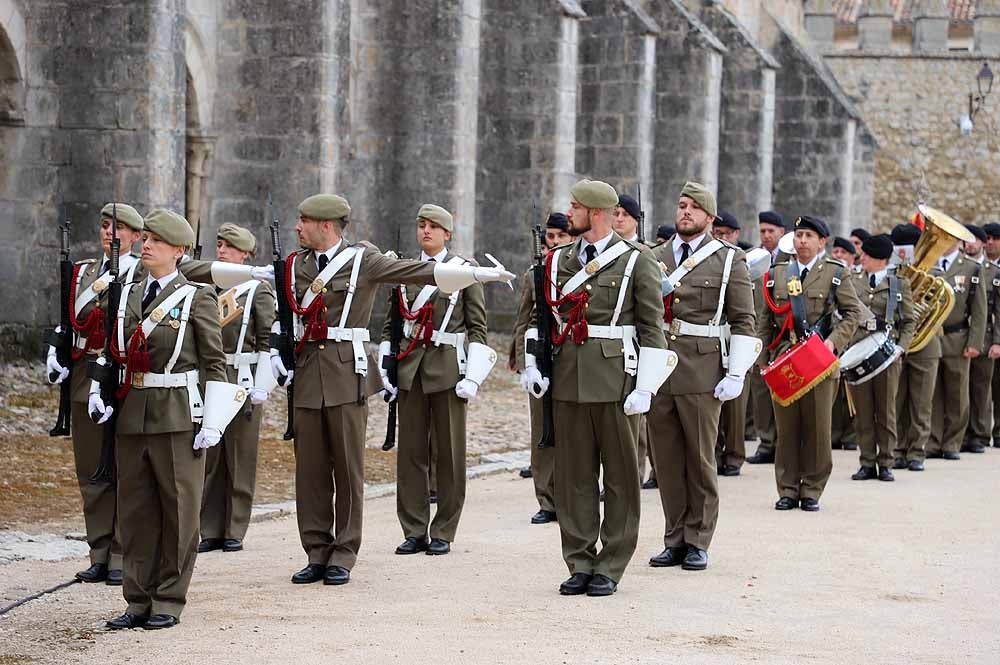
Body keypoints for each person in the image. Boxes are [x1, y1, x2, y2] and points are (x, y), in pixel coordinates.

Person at [271, 194, 513, 587]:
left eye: (303, 220)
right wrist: (275, 357)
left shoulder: (363, 261)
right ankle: (317, 550)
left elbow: (417, 273)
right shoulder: (295, 265)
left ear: (326, 225)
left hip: (352, 373)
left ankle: (344, 553)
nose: (297, 227)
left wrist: (478, 276)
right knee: (311, 472)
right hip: (310, 372)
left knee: (350, 469)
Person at [88, 209, 247, 630]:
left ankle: (169, 599)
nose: (148, 246)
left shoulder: (197, 297)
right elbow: (110, 349)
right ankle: (136, 599)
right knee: (135, 511)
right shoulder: (125, 293)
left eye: (158, 241)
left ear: (178, 251)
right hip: (131, 413)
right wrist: (97, 389)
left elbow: (215, 364)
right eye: (147, 239)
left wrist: (214, 421)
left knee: (179, 510)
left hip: (178, 415)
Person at [521, 179, 670, 597]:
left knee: (621, 477)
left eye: (576, 206)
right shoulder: (556, 262)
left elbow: (651, 328)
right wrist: (533, 363)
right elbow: (542, 319)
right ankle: (580, 559)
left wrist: (647, 385)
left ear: (598, 213)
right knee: (574, 478)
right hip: (567, 378)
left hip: (616, 380)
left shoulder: (636, 262)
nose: (570, 212)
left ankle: (612, 563)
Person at [647, 183, 758, 571]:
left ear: (710, 219)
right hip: (659, 367)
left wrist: (737, 371)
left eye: (695, 208)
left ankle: (698, 538)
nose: (686, 213)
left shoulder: (729, 260)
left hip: (703, 367)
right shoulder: (653, 255)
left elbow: (744, 319)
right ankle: (674, 536)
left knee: (699, 457)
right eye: (681, 205)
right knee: (666, 459)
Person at [380, 205, 494, 556]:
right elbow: (391, 324)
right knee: (411, 455)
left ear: (447, 234)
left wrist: (472, 377)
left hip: (447, 371)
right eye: (422, 226)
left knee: (449, 454)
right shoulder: (403, 271)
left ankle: (444, 528)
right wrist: (386, 366)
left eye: (434, 227)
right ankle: (414, 528)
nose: (426, 232)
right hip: (410, 369)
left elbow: (477, 328)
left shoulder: (464, 272)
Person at [44, 203, 144, 587]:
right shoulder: (84, 271)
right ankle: (99, 551)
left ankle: (122, 553)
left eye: (118, 228)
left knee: (122, 467)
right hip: (85, 374)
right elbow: (71, 318)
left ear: (136, 237)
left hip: (120, 376)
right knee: (91, 469)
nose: (109, 233)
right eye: (104, 226)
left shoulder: (139, 273)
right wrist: (57, 346)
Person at [757, 216, 863, 511]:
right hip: (785, 361)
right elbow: (765, 320)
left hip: (818, 362)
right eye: (799, 235)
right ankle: (787, 488)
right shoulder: (778, 273)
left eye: (808, 236)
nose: (801, 240)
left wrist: (833, 343)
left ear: (822, 242)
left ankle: (812, 488)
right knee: (787, 428)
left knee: (817, 428)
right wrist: (764, 358)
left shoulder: (835, 272)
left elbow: (853, 312)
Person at [198, 224, 277, 554]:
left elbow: (267, 341)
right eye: (219, 246)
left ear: (245, 254)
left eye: (229, 247)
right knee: (211, 456)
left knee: (240, 455)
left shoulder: (257, 291)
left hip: (243, 376)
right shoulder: (210, 288)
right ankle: (211, 528)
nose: (222, 251)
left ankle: (235, 527)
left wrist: (263, 384)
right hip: (213, 374)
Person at [510, 212, 571, 523]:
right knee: (542, 431)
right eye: (551, 237)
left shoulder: (580, 272)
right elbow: (524, 319)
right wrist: (523, 364)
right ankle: (547, 500)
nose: (555, 242)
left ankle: (573, 496)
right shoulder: (534, 274)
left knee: (574, 432)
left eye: (562, 236)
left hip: (571, 358)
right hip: (541, 358)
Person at [845, 234, 914, 482]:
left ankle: (886, 461)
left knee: (885, 410)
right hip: (859, 354)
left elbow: (909, 321)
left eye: (867, 255)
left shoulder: (899, 284)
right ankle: (866, 462)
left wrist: (900, 348)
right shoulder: (853, 281)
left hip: (887, 356)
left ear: (881, 259)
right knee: (863, 411)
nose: (861, 258)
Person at [926, 232, 987, 460]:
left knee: (957, 393)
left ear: (958, 242)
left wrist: (975, 342)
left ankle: (952, 441)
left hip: (957, 337)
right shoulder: (930, 265)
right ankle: (932, 441)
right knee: (932, 393)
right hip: (931, 337)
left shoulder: (971, 268)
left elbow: (979, 310)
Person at [614, 193, 658, 488]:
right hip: (617, 343)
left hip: (641, 340)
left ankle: (638, 472)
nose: (618, 219)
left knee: (641, 420)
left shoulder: (646, 254)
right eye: (614, 213)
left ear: (635, 221)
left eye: (624, 215)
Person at [709, 210, 753, 476]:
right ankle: (713, 452)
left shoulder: (741, 262)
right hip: (713, 335)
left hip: (735, 334)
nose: (722, 237)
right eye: (718, 233)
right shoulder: (710, 261)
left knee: (736, 406)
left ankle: (734, 455)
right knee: (713, 398)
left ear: (736, 234)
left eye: (726, 234)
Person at [747, 210, 787, 465]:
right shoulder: (753, 258)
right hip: (758, 330)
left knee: (783, 390)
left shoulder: (789, 258)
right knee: (761, 392)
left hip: (781, 330)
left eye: (771, 231)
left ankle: (783, 442)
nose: (767, 235)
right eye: (763, 231)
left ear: (781, 233)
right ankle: (766, 442)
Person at [962, 225, 1000, 453]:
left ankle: (980, 434)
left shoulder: (992, 272)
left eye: (975, 240)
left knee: (980, 388)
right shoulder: (960, 268)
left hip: (984, 336)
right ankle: (961, 433)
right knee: (959, 390)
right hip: (959, 335)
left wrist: (997, 340)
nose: (970, 244)